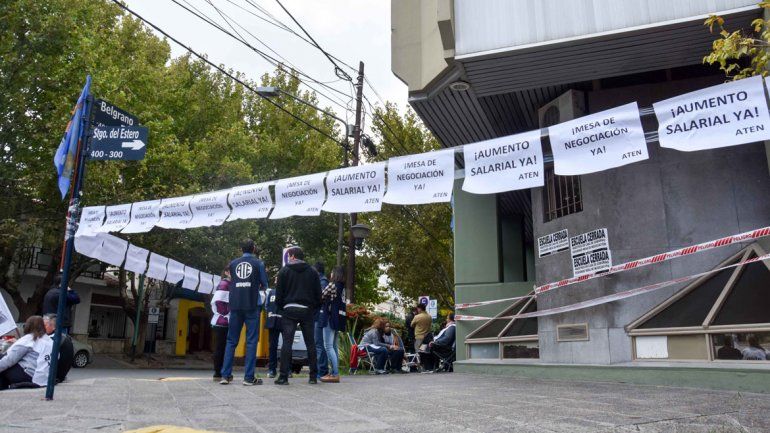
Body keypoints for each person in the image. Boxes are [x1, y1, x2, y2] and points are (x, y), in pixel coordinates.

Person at [220, 239, 269, 386]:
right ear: (254, 248)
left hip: (235, 305)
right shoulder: (258, 263)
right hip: (251, 305)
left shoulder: (233, 264)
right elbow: (264, 284)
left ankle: (225, 375)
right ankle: (248, 378)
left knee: (231, 340)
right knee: (252, 340)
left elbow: (232, 280)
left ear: (241, 249)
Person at [275, 246, 321, 385]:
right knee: (310, 343)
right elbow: (318, 295)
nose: (288, 259)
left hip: (289, 309)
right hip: (307, 310)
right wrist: (313, 308)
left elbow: (279, 295)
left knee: (287, 343)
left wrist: (282, 307)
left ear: (293, 256)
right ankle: (313, 377)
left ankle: (283, 376)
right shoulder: (313, 272)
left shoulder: (284, 271)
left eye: (289, 256)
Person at [0, 316, 53, 390]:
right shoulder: (48, 340)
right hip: (43, 377)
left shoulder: (29, 339)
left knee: (3, 359)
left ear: (28, 325)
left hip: (27, 375)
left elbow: (9, 360)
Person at [319, 266, 346, 383]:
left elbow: (321, 296)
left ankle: (334, 374)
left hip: (330, 318)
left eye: (331, 272)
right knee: (334, 346)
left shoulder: (332, 285)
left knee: (328, 346)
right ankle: (334, 372)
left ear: (334, 274)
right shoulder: (342, 287)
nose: (330, 274)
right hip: (338, 319)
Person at [210, 268, 231, 382]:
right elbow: (218, 302)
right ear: (227, 272)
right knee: (221, 347)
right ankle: (218, 372)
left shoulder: (230, 284)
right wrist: (226, 314)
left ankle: (221, 372)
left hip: (225, 320)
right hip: (223, 321)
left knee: (223, 347)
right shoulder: (224, 284)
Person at [42, 314, 74, 383]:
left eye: (44, 325)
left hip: (54, 376)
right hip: (60, 375)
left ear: (54, 327)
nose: (42, 327)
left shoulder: (52, 340)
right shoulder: (63, 337)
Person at [313, 262, 330, 379]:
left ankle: (322, 370)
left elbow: (320, 298)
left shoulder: (323, 282)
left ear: (317, 270)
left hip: (320, 315)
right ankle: (321, 370)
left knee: (319, 344)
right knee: (317, 344)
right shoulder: (320, 281)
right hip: (316, 315)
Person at [264, 281, 281, 378]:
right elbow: (266, 306)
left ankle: (274, 370)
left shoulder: (272, 292)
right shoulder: (271, 292)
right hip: (276, 321)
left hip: (277, 321)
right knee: (273, 346)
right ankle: (272, 369)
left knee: (283, 346)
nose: (276, 281)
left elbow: (267, 306)